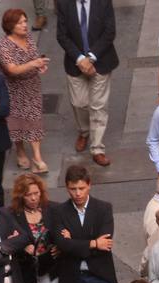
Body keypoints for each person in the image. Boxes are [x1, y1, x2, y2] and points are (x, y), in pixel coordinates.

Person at [54, 0, 116, 165]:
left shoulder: (103, 3)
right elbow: (62, 35)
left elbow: (109, 32)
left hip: (101, 61)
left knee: (98, 106)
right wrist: (80, 59)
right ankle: (84, 131)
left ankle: (97, 148)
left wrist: (92, 57)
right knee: (78, 103)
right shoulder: (63, 4)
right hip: (75, 62)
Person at [0, 10, 48, 174]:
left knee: (34, 119)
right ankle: (20, 151)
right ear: (10, 26)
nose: (25, 25)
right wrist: (34, 64)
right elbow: (12, 70)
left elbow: (34, 57)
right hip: (13, 89)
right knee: (16, 120)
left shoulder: (29, 39)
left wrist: (40, 65)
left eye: (25, 21)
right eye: (20, 22)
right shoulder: (4, 46)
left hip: (32, 86)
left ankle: (37, 157)